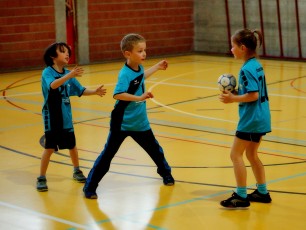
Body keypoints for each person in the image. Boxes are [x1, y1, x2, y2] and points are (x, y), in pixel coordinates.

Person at [83, 33, 174, 199]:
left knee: (155, 151)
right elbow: (118, 94)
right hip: (121, 122)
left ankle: (166, 174)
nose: (144, 54)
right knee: (107, 156)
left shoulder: (137, 68)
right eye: (140, 51)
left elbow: (139, 78)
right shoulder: (124, 73)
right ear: (127, 54)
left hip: (140, 122)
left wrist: (156, 67)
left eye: (144, 50)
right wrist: (139, 98)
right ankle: (90, 186)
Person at [37, 42, 107, 192]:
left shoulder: (69, 74)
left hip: (66, 116)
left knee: (72, 145)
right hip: (52, 117)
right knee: (49, 148)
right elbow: (53, 86)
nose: (67, 54)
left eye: (68, 51)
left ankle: (77, 170)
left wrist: (94, 91)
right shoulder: (47, 72)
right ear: (53, 56)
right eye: (63, 52)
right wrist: (69, 75)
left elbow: (80, 90)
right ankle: (41, 177)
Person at [219, 29, 272, 208]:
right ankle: (262, 192)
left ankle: (241, 196)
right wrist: (236, 92)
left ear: (242, 48)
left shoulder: (246, 69)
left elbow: (254, 95)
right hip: (261, 116)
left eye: (233, 46)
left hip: (251, 119)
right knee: (251, 154)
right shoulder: (255, 64)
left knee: (235, 155)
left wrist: (232, 98)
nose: (231, 49)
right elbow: (251, 92)